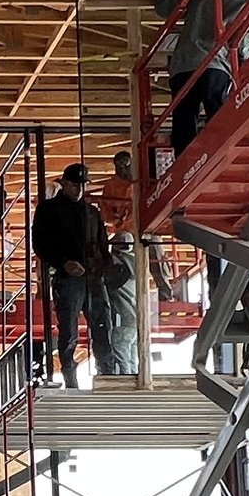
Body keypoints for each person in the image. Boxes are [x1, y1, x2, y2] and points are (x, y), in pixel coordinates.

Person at [168, 0, 249, 158]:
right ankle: (221, 151)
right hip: (213, 64)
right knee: (216, 111)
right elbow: (244, 45)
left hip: (183, 65)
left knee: (184, 116)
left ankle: (185, 159)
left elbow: (164, 8)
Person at [31, 162, 96, 388]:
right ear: (65, 184)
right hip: (68, 279)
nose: (79, 190)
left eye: (82, 186)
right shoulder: (48, 209)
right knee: (68, 333)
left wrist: (102, 268)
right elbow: (39, 243)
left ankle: (110, 374)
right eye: (74, 185)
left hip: (92, 278)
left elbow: (101, 243)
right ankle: (71, 381)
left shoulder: (91, 212)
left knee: (102, 326)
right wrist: (63, 263)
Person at [92, 151, 140, 378]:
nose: (122, 168)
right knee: (130, 350)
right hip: (129, 232)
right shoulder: (114, 186)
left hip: (135, 233)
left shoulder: (122, 269)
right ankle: (133, 377)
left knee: (122, 346)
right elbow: (105, 210)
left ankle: (127, 379)